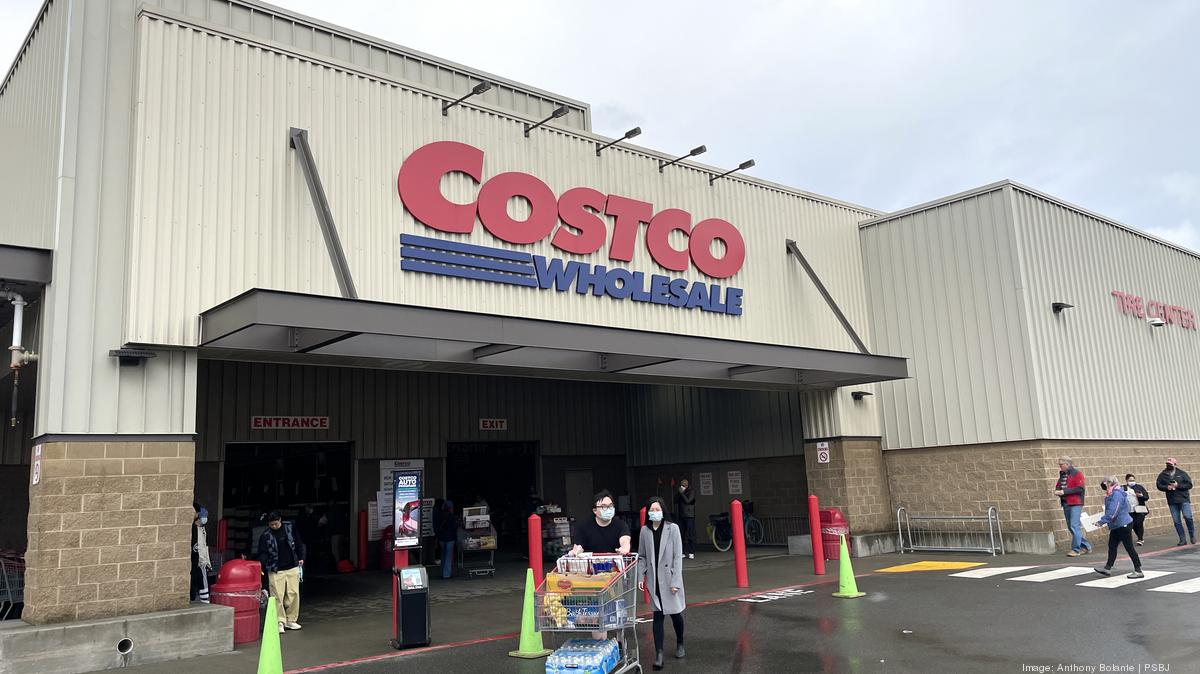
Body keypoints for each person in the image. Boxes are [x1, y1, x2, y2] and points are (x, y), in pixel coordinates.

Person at [637, 497, 686, 670]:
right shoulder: (645, 531)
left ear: (663, 511)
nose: (654, 512)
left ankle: (680, 642)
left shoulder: (673, 529)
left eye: (657, 509)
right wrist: (640, 576)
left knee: (675, 614)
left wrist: (676, 581)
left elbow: (678, 557)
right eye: (652, 510)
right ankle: (659, 654)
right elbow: (642, 556)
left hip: (670, 579)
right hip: (654, 580)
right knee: (657, 616)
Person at [258, 511, 306, 634]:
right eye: (271, 524)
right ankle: (280, 621)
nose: (274, 526)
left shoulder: (290, 528)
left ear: (280, 520)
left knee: (293, 593)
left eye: (276, 524)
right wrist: (264, 564)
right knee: (276, 596)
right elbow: (262, 552)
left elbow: (299, 542)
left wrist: (301, 556)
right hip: (275, 569)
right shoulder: (265, 535)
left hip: (292, 566)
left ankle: (291, 619)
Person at [1093, 475, 1144, 579]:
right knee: (1112, 546)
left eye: (1104, 483)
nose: (1103, 486)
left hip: (1122, 524)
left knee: (1129, 547)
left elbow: (1113, 511)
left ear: (1109, 483)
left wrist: (1102, 521)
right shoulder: (1113, 493)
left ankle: (1138, 570)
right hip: (1117, 525)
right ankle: (1107, 568)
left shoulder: (1116, 494)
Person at [570, 490, 631, 556]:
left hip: (614, 561)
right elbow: (577, 546)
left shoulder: (621, 525)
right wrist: (576, 551)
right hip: (591, 561)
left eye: (611, 506)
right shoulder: (583, 526)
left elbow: (625, 540)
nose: (608, 509)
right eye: (604, 507)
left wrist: (624, 548)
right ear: (595, 510)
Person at [1053, 456, 1091, 557]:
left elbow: (1080, 489)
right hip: (1066, 502)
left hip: (1075, 503)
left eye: (1061, 464)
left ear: (1067, 464)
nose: (1060, 466)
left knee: (1074, 526)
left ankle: (1076, 549)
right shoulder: (1062, 474)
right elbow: (1059, 485)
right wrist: (1057, 490)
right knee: (1071, 527)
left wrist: (1064, 491)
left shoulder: (1077, 474)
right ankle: (1086, 546)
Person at [1156, 458, 1195, 546]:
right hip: (1172, 500)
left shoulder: (1182, 473)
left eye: (1170, 464)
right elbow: (1159, 485)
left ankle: (1192, 535)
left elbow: (1189, 485)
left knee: (1188, 517)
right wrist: (1167, 487)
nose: (1168, 465)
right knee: (1176, 521)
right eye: (1167, 464)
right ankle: (1182, 539)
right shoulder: (1162, 475)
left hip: (1183, 499)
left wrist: (1178, 485)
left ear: (1175, 464)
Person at [190, 503, 212, 603]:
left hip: (201, 560)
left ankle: (204, 598)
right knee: (196, 578)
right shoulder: (193, 527)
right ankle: (195, 596)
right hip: (195, 558)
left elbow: (204, 546)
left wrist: (207, 561)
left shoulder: (202, 529)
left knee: (202, 579)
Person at [1123, 474, 1150, 546]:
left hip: (1140, 509)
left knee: (1138, 523)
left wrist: (1141, 496)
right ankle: (1139, 537)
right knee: (1133, 524)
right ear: (1126, 481)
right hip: (1129, 510)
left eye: (1133, 480)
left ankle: (1140, 539)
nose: (1132, 482)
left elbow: (1146, 497)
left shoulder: (1139, 487)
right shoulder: (1123, 488)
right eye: (1130, 480)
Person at [674, 479, 696, 560]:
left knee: (690, 534)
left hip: (689, 515)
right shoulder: (680, 492)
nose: (682, 486)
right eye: (681, 485)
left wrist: (682, 493)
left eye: (684, 485)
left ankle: (691, 552)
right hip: (681, 515)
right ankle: (682, 552)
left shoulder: (691, 491)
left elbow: (688, 501)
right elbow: (675, 501)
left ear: (687, 485)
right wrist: (679, 493)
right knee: (681, 534)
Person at [436, 500, 458, 579]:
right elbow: (454, 527)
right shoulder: (451, 516)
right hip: (450, 538)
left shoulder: (439, 515)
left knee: (443, 555)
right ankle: (447, 574)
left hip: (441, 538)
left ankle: (442, 572)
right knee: (448, 556)